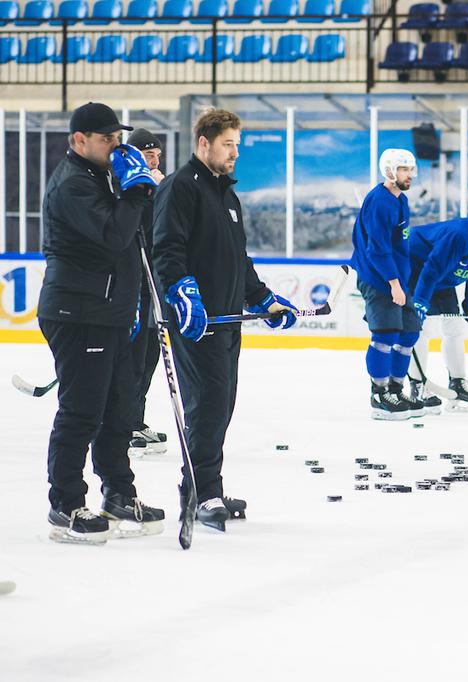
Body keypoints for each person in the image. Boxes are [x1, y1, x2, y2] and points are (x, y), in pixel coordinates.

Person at [153, 108, 298, 532]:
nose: (235, 153)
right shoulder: (180, 188)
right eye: (227, 144)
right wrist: (182, 292)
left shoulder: (226, 196)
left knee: (221, 405)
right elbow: (166, 249)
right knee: (210, 405)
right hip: (199, 321)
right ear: (204, 143)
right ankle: (201, 492)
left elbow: (238, 259)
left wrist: (263, 298)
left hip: (228, 321)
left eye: (237, 144)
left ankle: (205, 486)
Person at [38, 101, 164, 544]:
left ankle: (119, 495)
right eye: (106, 138)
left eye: (117, 137)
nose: (116, 145)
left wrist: (146, 190)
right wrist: (133, 193)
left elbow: (137, 233)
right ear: (79, 141)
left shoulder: (100, 176)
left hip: (109, 310)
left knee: (119, 408)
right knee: (82, 411)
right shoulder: (74, 184)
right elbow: (113, 234)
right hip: (78, 312)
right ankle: (66, 504)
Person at [408, 200, 468, 414]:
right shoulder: (459, 235)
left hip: (442, 278)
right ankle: (417, 387)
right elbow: (432, 268)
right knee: (421, 330)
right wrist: (420, 300)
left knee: (455, 328)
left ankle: (458, 383)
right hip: (416, 268)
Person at [351, 148, 424, 421]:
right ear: (390, 171)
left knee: (409, 334)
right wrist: (394, 284)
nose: (410, 175)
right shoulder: (379, 201)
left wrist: (402, 281)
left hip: (397, 279)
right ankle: (379, 393)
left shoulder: (400, 199)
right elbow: (377, 248)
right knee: (385, 336)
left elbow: (398, 244)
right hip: (378, 277)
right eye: (405, 170)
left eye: (411, 169)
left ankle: (395, 388)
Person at [124, 128, 169, 457]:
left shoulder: (162, 186)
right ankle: (122, 423)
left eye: (156, 155)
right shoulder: (128, 185)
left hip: (156, 285)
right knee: (133, 358)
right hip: (133, 287)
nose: (153, 160)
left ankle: (135, 420)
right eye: (147, 155)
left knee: (150, 357)